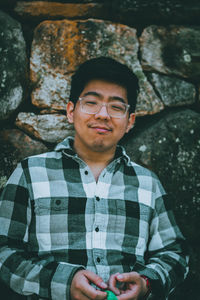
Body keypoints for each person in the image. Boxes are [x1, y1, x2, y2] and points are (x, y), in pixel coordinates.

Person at [0, 57, 189, 300]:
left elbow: (174, 253)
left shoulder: (148, 184)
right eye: (91, 103)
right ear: (71, 111)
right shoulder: (30, 173)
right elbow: (4, 251)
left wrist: (146, 283)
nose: (103, 115)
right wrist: (63, 282)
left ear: (130, 121)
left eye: (116, 107)